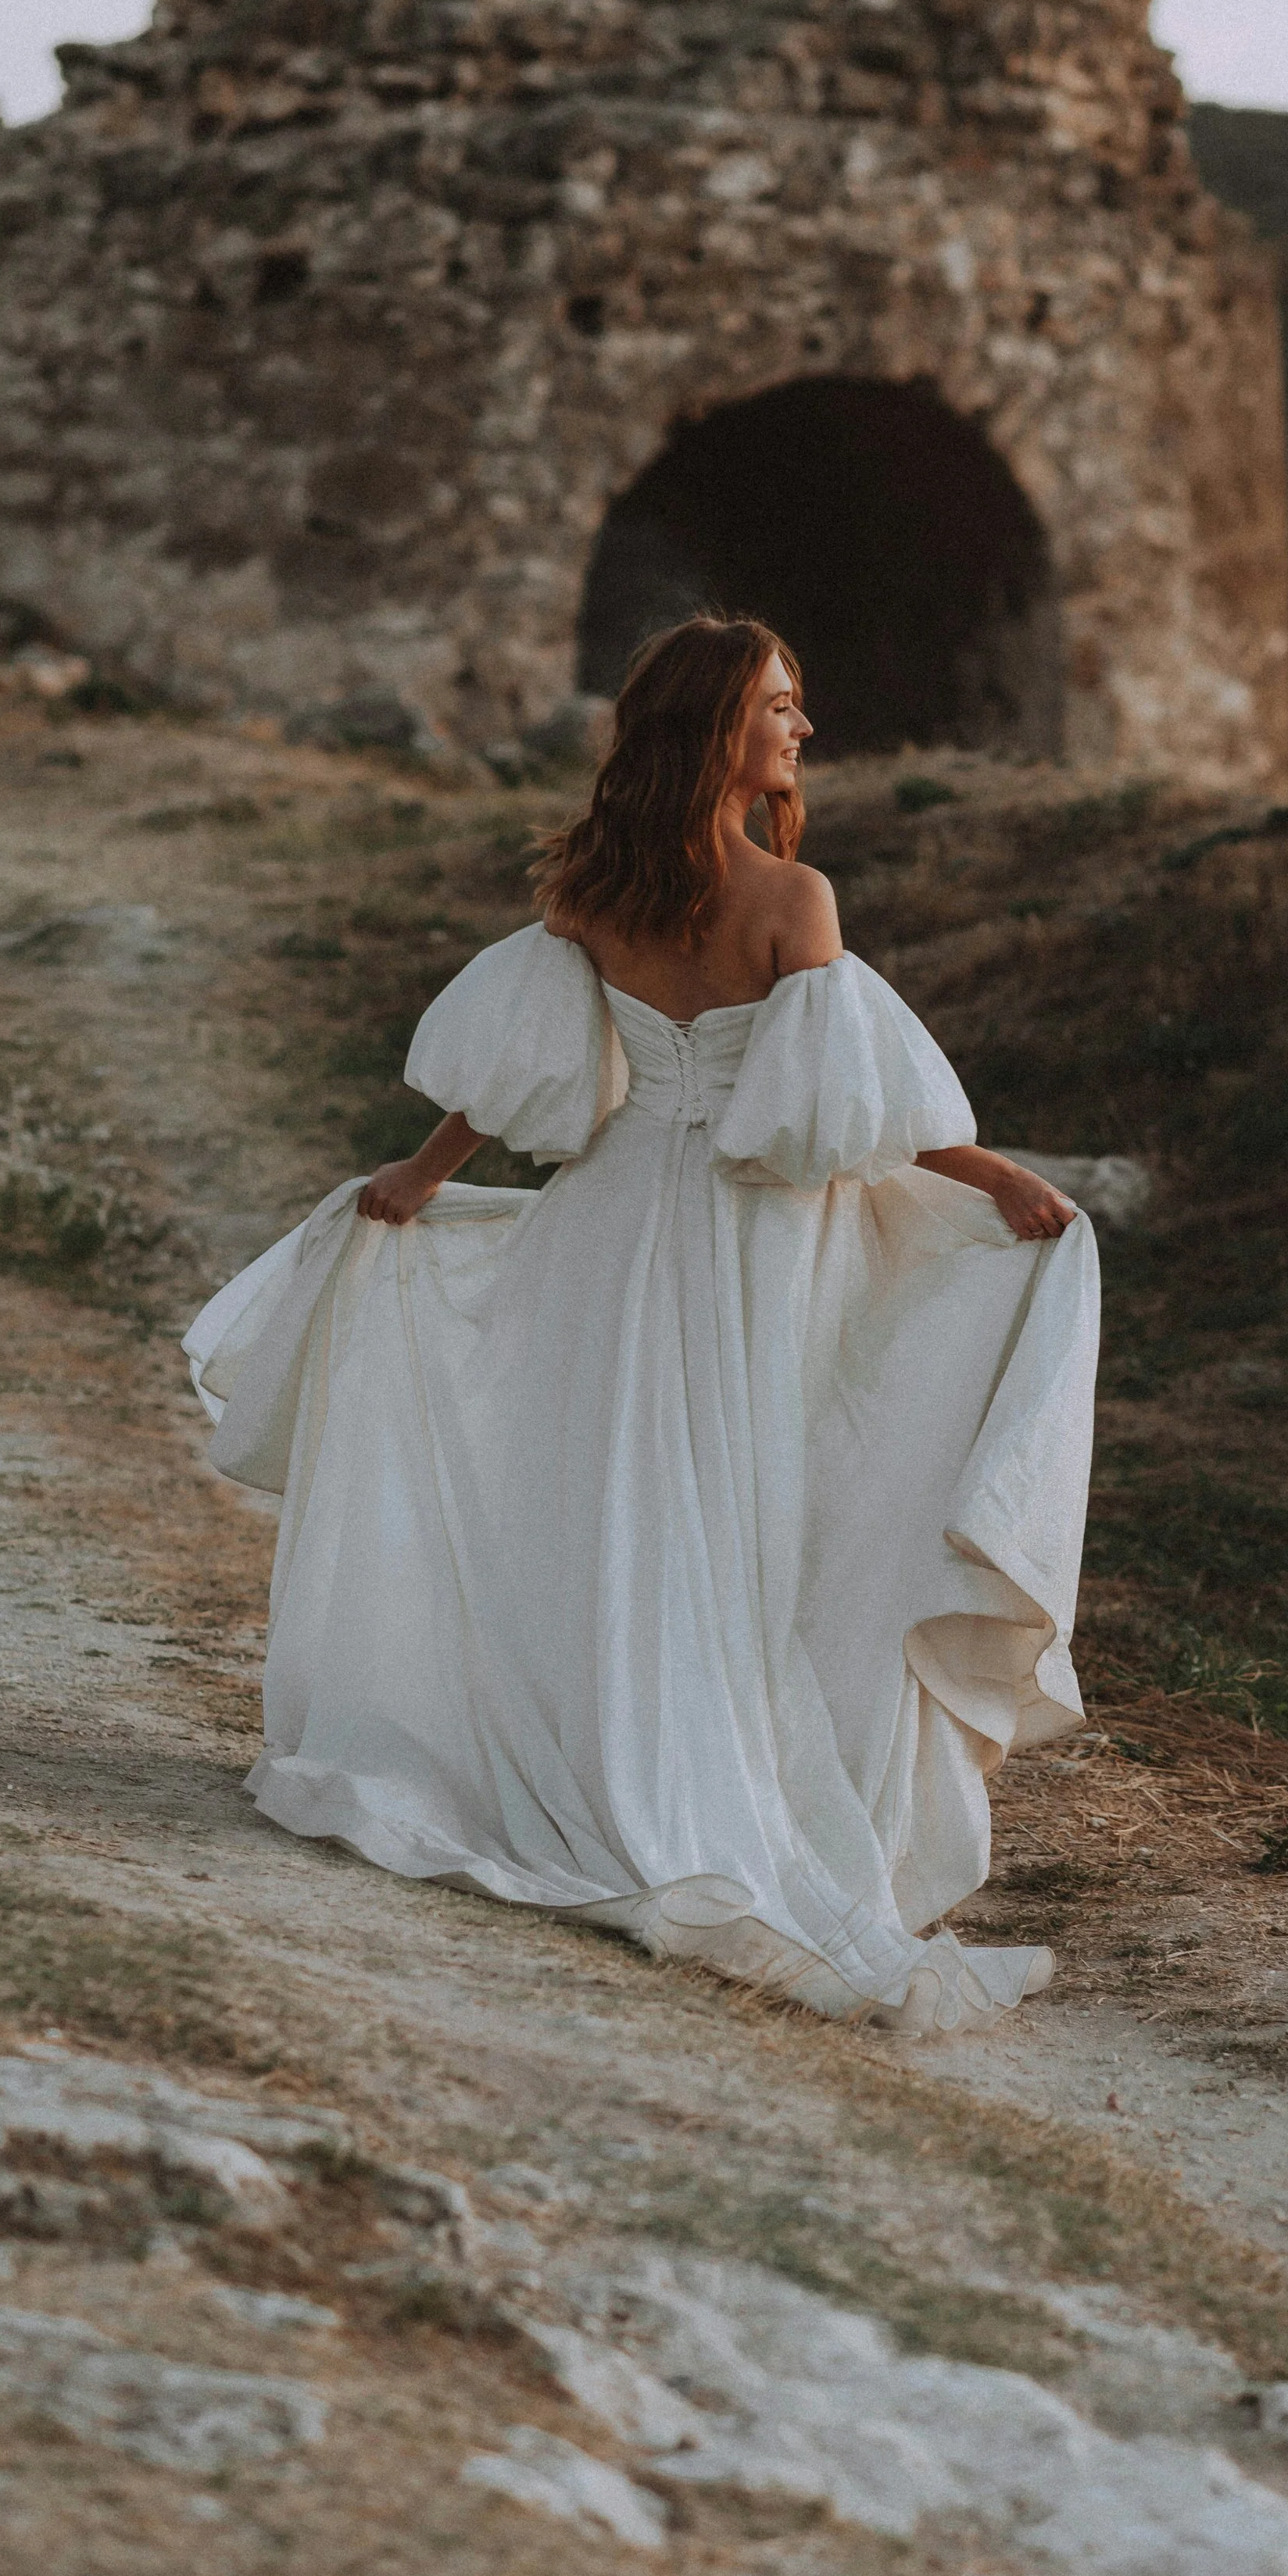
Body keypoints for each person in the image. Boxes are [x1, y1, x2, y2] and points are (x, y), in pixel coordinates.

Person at [184, 617, 1100, 2035]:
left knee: (616, 1500)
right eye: (780, 707)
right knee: (739, 1517)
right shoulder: (795, 899)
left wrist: (423, 1178)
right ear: (718, 731)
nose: (803, 727)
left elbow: (516, 1084)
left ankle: (600, 1752)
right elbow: (844, 1124)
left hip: (613, 1223)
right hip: (745, 1240)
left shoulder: (592, 894)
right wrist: (1004, 1180)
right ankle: (692, 1786)